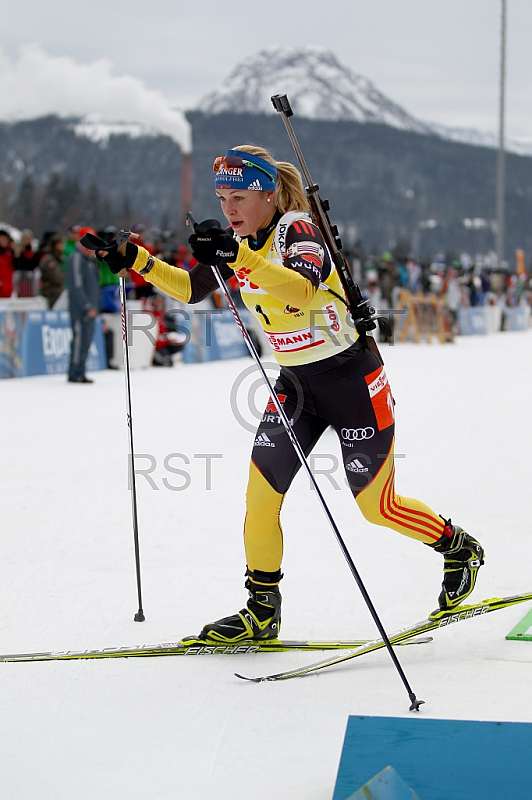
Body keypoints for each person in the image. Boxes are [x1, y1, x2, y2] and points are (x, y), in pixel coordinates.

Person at [97, 146, 484, 644]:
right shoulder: (240, 241)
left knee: (377, 507)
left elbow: (302, 290)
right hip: (296, 387)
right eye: (222, 197)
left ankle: (457, 547)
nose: (230, 208)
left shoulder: (296, 229)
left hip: (352, 382)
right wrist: (136, 260)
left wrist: (238, 256)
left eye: (239, 196)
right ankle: (261, 610)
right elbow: (192, 289)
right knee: (260, 497)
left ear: (270, 194)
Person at [65, 227, 100, 383]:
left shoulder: (90, 260)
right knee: (79, 339)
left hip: (91, 308)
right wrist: (87, 305)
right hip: (81, 309)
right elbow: (76, 285)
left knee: (86, 340)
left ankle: (81, 369)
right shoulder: (77, 258)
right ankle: (76, 371)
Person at [39, 233, 65, 308]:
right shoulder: (50, 260)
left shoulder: (57, 257)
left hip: (57, 290)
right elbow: (56, 277)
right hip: (51, 292)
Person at [0, 229, 15, 298]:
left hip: (7, 290)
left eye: (6, 239)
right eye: (2, 239)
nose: (4, 241)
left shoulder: (10, 254)